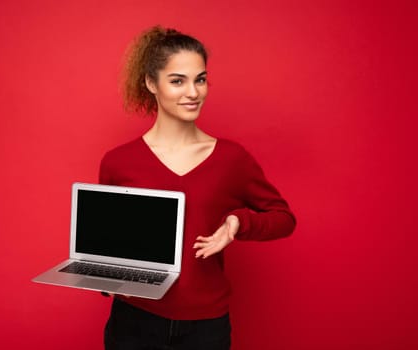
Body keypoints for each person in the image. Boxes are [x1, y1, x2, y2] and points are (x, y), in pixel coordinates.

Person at [99, 26, 296, 350]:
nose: (193, 92)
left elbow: (284, 218)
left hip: (206, 328)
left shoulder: (232, 159)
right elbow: (107, 243)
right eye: (178, 81)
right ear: (151, 83)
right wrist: (109, 282)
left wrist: (238, 223)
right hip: (134, 322)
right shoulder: (119, 162)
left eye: (200, 79)